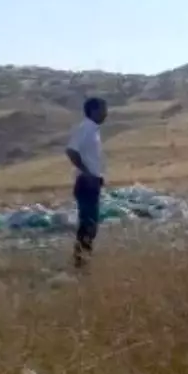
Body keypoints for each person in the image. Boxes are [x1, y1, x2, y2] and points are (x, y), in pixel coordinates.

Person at [65, 97, 107, 269]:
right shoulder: (85, 129)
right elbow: (71, 151)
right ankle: (81, 262)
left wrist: (97, 175)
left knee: (91, 224)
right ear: (94, 111)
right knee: (88, 223)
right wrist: (87, 172)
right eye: (103, 109)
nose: (106, 113)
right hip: (86, 182)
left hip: (93, 181)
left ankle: (83, 259)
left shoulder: (94, 130)